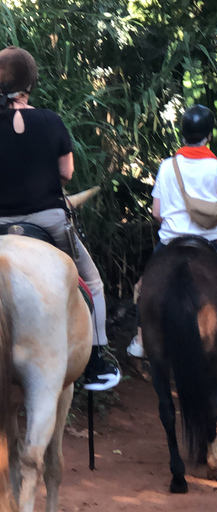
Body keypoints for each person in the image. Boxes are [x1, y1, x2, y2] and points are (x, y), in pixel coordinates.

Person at [0, 46, 120, 391]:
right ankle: (96, 361)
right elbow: (66, 172)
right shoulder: (50, 120)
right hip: (48, 219)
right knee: (92, 283)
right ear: (30, 85)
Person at [127, 104, 217, 361]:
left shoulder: (167, 167)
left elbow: (157, 213)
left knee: (144, 286)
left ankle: (141, 340)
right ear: (208, 136)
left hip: (170, 241)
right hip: (211, 241)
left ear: (183, 134)